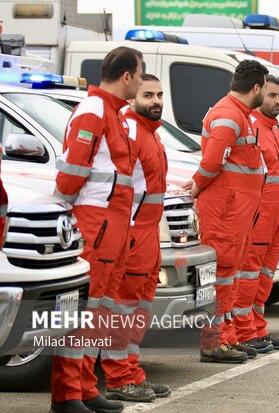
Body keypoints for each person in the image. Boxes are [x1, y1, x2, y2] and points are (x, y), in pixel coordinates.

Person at [51, 46, 144, 413]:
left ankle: (86, 387)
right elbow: (73, 172)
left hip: (113, 222)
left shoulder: (114, 113)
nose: (139, 81)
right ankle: (67, 394)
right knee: (84, 309)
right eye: (139, 76)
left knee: (100, 310)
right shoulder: (94, 110)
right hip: (95, 220)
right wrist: (63, 211)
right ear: (127, 77)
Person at [188, 59, 269, 363]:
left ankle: (227, 335)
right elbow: (211, 164)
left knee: (229, 274)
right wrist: (195, 187)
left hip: (235, 211)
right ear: (257, 87)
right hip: (224, 210)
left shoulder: (240, 114)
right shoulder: (228, 116)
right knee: (221, 274)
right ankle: (213, 342)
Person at [99, 74, 172, 402]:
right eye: (148, 95)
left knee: (139, 310)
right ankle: (117, 378)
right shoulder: (130, 131)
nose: (155, 100)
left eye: (159, 94)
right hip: (131, 235)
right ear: (132, 98)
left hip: (148, 237)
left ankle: (132, 372)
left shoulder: (152, 134)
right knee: (123, 310)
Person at [232, 74, 279, 352]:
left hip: (276, 217)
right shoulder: (254, 127)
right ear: (258, 94)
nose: (277, 100)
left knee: (265, 274)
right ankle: (244, 331)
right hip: (259, 216)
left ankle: (257, 327)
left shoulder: (272, 129)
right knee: (248, 274)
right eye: (271, 95)